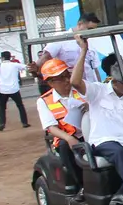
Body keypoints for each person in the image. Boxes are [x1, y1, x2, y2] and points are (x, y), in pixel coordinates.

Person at [69, 34, 123, 205]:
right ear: (115, 82)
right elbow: (75, 81)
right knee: (119, 153)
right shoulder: (98, 92)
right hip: (104, 141)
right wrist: (84, 50)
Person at [36, 58, 87, 191]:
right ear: (50, 82)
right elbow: (50, 127)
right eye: (61, 78)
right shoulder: (44, 101)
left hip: (90, 131)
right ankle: (82, 186)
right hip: (66, 137)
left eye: (67, 75)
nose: (66, 80)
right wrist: (69, 138)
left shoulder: (81, 91)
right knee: (66, 148)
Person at [35, 13, 104, 84]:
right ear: (80, 24)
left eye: (93, 30)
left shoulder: (90, 42)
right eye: (89, 29)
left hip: (91, 86)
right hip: (71, 87)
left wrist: (99, 85)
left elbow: (95, 69)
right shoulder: (62, 38)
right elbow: (45, 58)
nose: (91, 32)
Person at [0, 50, 30, 131]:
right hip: (14, 89)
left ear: (2, 58)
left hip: (2, 90)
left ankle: (2, 123)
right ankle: (24, 122)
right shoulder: (15, 65)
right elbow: (27, 67)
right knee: (20, 106)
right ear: (10, 57)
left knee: (2, 108)